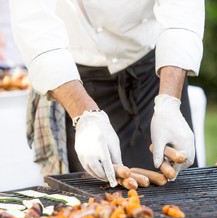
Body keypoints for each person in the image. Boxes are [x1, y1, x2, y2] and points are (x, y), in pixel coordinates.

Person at [9, 0, 205, 187]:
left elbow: (182, 10)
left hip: (155, 72)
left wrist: (169, 101)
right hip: (78, 82)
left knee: (178, 184)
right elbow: (35, 26)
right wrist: (86, 117)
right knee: (100, 197)